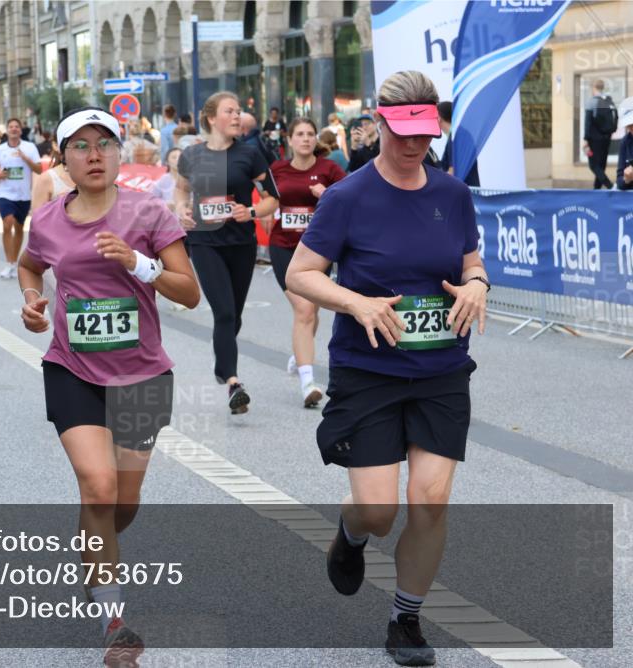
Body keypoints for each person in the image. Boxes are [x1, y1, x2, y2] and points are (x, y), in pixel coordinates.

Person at [286, 70, 488, 667]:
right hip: (367, 370)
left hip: (440, 366)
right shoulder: (349, 196)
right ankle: (350, 537)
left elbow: (471, 260)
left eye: (424, 133)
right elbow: (301, 273)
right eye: (401, 132)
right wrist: (358, 302)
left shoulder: (452, 193)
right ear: (378, 124)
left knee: (430, 499)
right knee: (378, 511)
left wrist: (476, 284)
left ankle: (406, 620)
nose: (413, 144)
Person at [17, 107, 199, 665]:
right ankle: (113, 618)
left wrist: (138, 264)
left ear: (121, 153)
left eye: (104, 145)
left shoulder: (149, 211)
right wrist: (32, 301)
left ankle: (93, 542)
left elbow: (188, 292)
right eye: (80, 147)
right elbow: (30, 266)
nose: (94, 155)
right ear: (63, 159)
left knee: (121, 502)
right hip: (72, 368)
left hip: (143, 375)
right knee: (98, 487)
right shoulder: (47, 219)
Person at [174, 91, 280, 414]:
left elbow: (272, 199)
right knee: (223, 312)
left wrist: (250, 212)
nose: (237, 117)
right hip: (205, 241)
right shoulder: (190, 156)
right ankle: (233, 382)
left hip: (241, 244)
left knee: (233, 315)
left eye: (238, 111)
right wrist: (181, 209)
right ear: (211, 118)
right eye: (230, 111)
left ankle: (222, 362)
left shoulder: (250, 155)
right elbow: (181, 190)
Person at [268, 118, 345, 407]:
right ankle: (307, 382)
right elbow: (266, 199)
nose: (305, 139)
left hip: (317, 250)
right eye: (299, 134)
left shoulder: (329, 170)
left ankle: (299, 356)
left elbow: (349, 201)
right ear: (289, 140)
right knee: (304, 308)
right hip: (283, 247)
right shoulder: (277, 170)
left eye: (310, 134)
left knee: (310, 311)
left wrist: (325, 194)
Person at [0, 118, 42, 279]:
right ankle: (8, 262)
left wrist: (25, 158)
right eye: (10, 126)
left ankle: (14, 262)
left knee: (19, 228)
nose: (13, 129)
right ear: (7, 130)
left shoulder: (30, 147)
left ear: (20, 130)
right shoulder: (0, 149)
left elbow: (39, 169)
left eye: (16, 126)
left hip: (23, 194)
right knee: (8, 223)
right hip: (5, 193)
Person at [582, 79, 618, 190]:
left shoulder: (592, 101)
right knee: (601, 165)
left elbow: (588, 122)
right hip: (606, 138)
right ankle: (596, 189)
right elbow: (615, 118)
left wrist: (585, 139)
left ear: (594, 88)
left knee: (593, 165)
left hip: (594, 140)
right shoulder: (609, 100)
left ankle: (610, 185)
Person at [436, 101, 480, 187]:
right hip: (470, 192)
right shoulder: (461, 134)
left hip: (466, 193)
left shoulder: (456, 137)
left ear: (439, 118)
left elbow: (453, 172)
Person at [616, 96, 633, 190]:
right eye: (628, 125)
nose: (631, 128)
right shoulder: (625, 142)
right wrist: (626, 179)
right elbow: (619, 182)